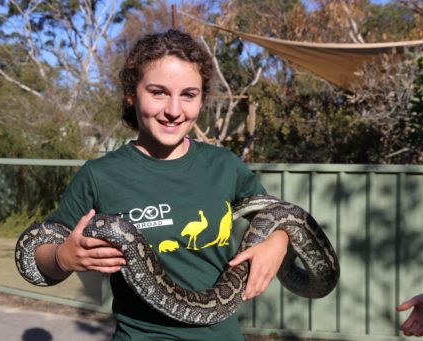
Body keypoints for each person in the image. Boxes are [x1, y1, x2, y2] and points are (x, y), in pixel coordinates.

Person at [33, 29, 289, 340]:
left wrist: (278, 243)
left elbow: (276, 216)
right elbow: (39, 254)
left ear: (202, 99)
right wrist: (62, 257)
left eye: (188, 95)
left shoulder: (224, 165)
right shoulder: (100, 175)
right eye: (158, 92)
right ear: (132, 94)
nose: (174, 110)